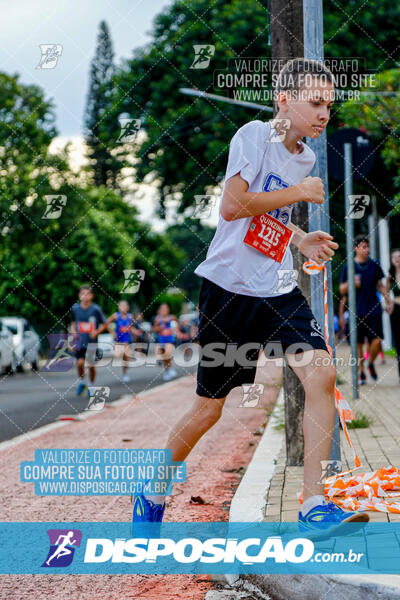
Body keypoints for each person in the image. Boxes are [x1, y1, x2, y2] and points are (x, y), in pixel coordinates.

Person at [132, 58, 369, 535]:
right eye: (315, 103)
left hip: (278, 290)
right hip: (228, 291)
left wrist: (299, 240)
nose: (325, 113)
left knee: (320, 375)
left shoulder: (303, 157)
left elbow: (268, 221)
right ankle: (152, 489)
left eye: (330, 105)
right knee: (209, 409)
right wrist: (298, 192)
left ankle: (313, 504)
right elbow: (234, 206)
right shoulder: (253, 135)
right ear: (285, 100)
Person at [339, 235, 392, 385]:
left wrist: (388, 301)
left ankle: (370, 363)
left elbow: (380, 285)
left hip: (374, 309)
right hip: (356, 311)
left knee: (377, 340)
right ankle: (361, 371)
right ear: (356, 248)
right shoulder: (348, 266)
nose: (366, 250)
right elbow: (342, 290)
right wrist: (351, 283)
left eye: (367, 247)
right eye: (363, 247)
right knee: (358, 344)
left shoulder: (374, 264)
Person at [71, 285, 106, 396]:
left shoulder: (96, 309)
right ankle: (82, 382)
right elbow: (73, 323)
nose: (85, 296)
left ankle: (91, 385)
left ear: (91, 296)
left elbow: (104, 324)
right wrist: (73, 332)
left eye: (87, 294)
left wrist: (96, 331)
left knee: (91, 365)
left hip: (91, 341)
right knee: (80, 363)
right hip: (80, 341)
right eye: (82, 294)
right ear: (79, 295)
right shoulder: (75, 308)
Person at [96, 300, 134, 383]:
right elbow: (106, 323)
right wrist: (112, 332)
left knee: (127, 355)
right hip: (118, 339)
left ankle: (124, 374)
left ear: (127, 308)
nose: (123, 308)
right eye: (121, 306)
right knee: (118, 355)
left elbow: (130, 327)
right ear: (118, 307)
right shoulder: (116, 316)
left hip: (126, 339)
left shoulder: (130, 316)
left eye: (124, 306)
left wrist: (134, 332)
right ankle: (125, 365)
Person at [153, 303, 180, 381]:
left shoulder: (172, 317)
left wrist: (176, 330)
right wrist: (160, 327)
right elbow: (154, 328)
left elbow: (178, 324)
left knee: (168, 354)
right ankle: (168, 370)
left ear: (168, 310)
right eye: (162, 309)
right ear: (160, 311)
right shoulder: (158, 319)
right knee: (164, 357)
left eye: (165, 309)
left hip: (170, 340)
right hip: (161, 340)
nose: (164, 310)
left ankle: (169, 370)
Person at [386, 248, 400, 381]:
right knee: (398, 340)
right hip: (396, 309)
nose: (397, 259)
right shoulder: (390, 276)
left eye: (399, 256)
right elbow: (385, 292)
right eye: (394, 257)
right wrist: (389, 304)